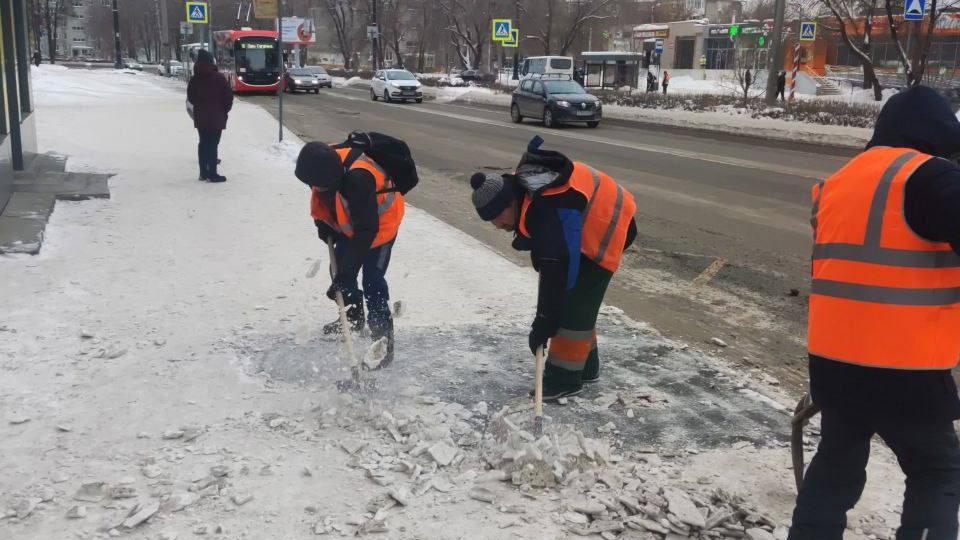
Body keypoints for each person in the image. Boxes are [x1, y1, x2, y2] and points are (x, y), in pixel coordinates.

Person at [789, 86, 960, 540]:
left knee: (836, 468)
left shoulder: (838, 182)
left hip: (835, 364)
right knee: (936, 471)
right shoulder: (932, 178)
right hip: (907, 368)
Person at [468, 137, 638, 401]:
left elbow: (559, 273)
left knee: (573, 304)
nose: (497, 226)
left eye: (498, 219)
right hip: (589, 218)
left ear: (510, 203)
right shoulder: (524, 190)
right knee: (576, 303)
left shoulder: (545, 209)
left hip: (609, 224)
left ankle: (564, 380)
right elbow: (547, 241)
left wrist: (544, 324)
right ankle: (587, 368)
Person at [294, 140, 405, 369]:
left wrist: (345, 275)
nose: (312, 187)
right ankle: (354, 317)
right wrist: (323, 223)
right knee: (340, 270)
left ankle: (383, 341)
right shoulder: (324, 165)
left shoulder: (358, 179)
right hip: (355, 223)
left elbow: (366, 231)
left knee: (372, 280)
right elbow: (323, 197)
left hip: (381, 226)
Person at [186, 49, 232, 183]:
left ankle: (203, 173)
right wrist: (223, 111)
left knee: (203, 143)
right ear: (211, 62)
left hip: (201, 117)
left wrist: (200, 107)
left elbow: (191, 98)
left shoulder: (195, 79)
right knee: (213, 144)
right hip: (216, 117)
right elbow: (228, 97)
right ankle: (212, 174)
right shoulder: (219, 78)